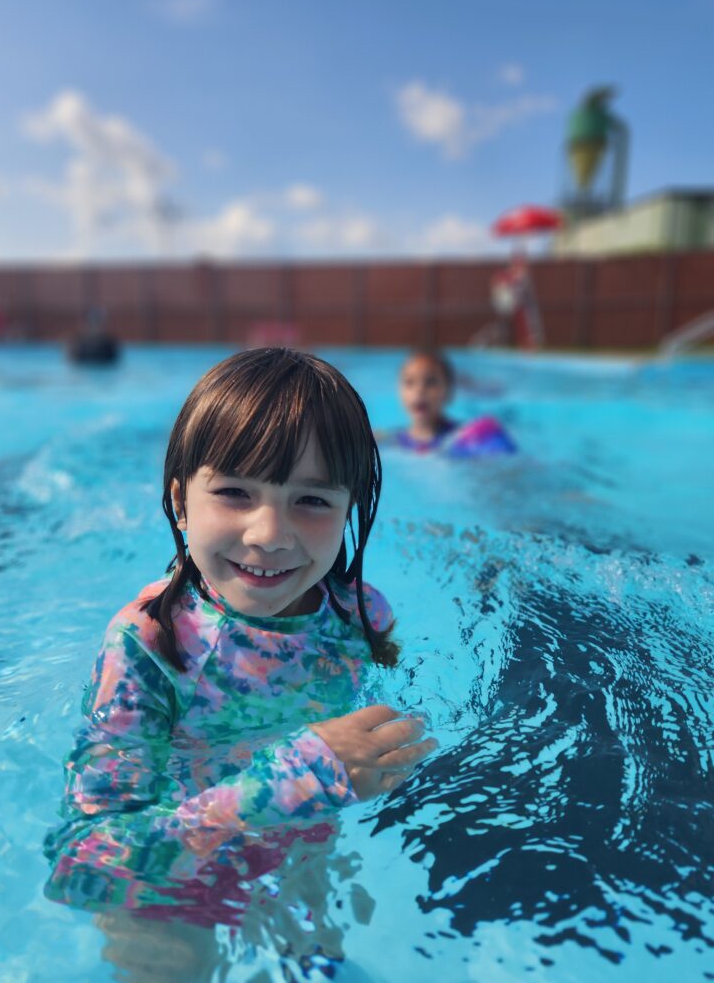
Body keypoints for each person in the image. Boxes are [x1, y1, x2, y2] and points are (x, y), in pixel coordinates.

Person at [44, 347, 436, 930]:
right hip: (170, 887)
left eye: (312, 500)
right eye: (234, 493)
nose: (270, 534)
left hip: (305, 849)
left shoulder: (362, 613)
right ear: (181, 502)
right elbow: (82, 864)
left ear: (349, 508)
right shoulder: (148, 645)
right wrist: (291, 780)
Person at [379, 349, 516, 458]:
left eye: (430, 382)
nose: (419, 390)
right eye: (409, 382)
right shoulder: (394, 440)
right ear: (399, 391)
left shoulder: (463, 437)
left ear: (448, 393)